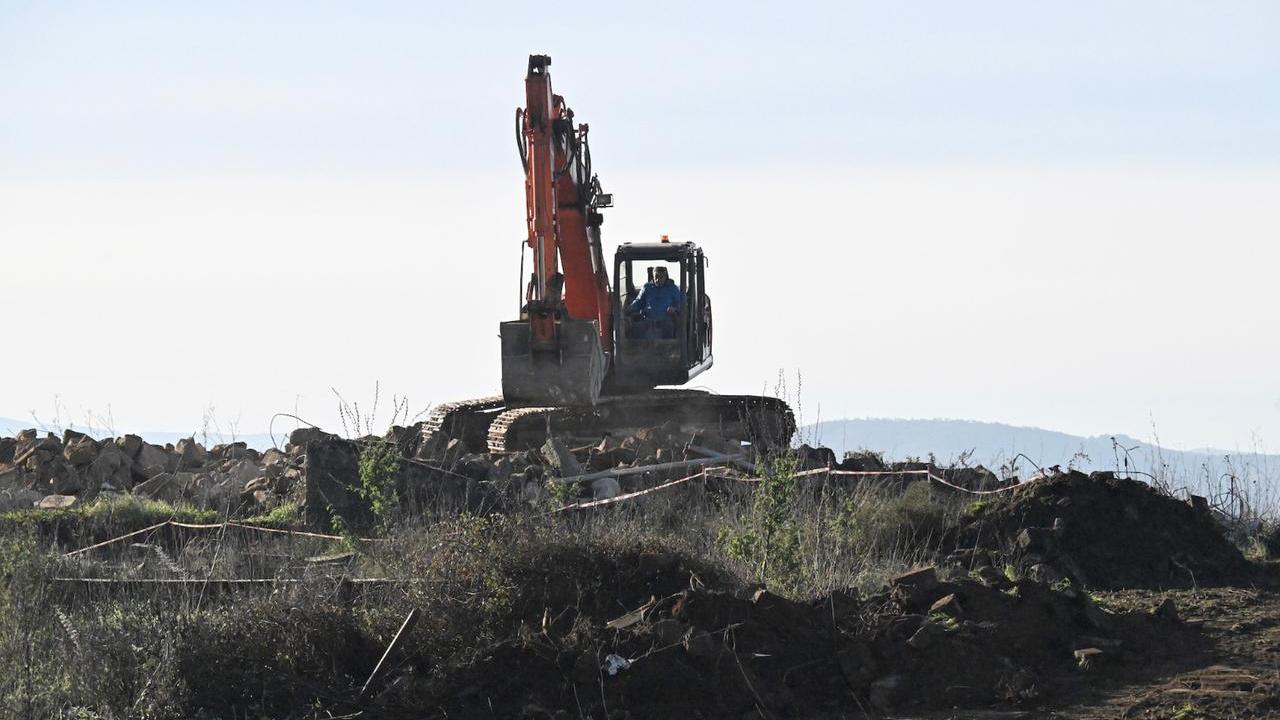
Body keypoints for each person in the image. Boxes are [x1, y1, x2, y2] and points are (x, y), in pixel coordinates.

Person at [629, 266, 684, 339]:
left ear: (665, 277)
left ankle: (669, 348)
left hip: (666, 320)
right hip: (648, 320)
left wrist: (674, 308)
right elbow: (639, 301)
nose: (658, 280)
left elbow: (681, 303)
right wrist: (629, 308)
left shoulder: (672, 289)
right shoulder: (647, 287)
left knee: (670, 328)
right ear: (653, 276)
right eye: (656, 277)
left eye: (661, 277)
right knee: (635, 328)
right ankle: (635, 349)